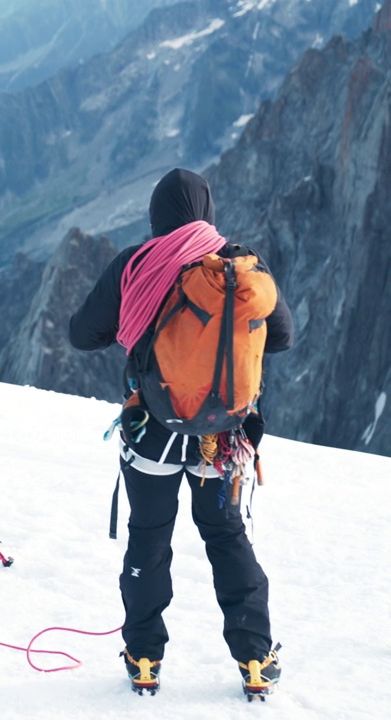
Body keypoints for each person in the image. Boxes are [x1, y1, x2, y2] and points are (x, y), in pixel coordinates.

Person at [68, 168, 293, 698]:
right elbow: (281, 336)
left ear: (157, 213)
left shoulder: (137, 264)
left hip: (154, 431)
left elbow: (82, 335)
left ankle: (144, 657)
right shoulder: (238, 266)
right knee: (226, 535)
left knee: (149, 534)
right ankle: (255, 660)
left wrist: (141, 323)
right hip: (224, 436)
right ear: (206, 209)